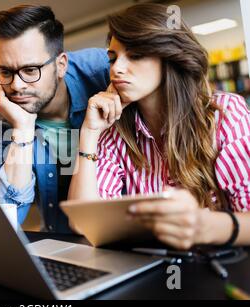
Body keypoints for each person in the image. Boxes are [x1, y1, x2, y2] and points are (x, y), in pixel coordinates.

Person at [68, 3, 250, 249]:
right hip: (151, 269)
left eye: (135, 55)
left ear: (170, 58)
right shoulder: (114, 130)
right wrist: (89, 134)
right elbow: (84, 225)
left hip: (219, 270)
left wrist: (201, 227)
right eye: (113, 58)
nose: (116, 69)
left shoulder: (225, 114)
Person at [0, 5, 110, 233]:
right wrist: (22, 130)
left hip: (125, 234)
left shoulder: (104, 72)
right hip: (60, 238)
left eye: (30, 70)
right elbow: (5, 221)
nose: (16, 86)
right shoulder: (0, 114)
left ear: (61, 65)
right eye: (5, 72)